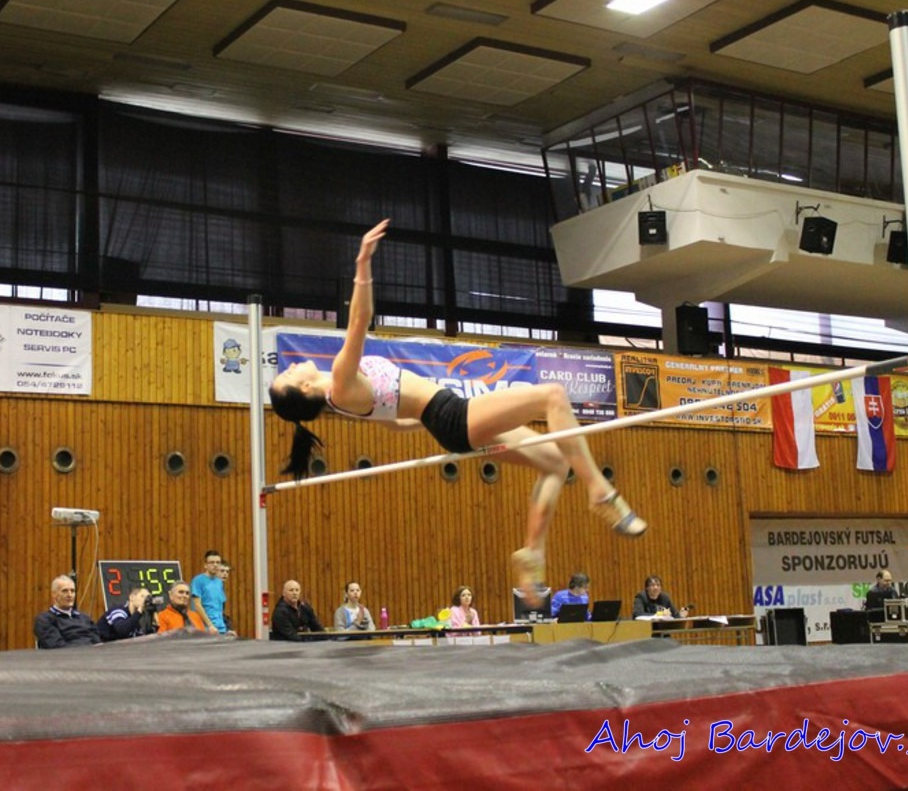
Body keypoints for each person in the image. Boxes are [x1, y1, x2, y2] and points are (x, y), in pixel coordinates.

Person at [268, 219, 646, 608]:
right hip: (451, 414)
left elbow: (395, 422)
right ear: (305, 389)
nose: (292, 366)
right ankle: (600, 491)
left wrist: (426, 420)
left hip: (446, 420)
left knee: (556, 463)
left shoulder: (340, 401)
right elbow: (359, 320)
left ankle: (532, 552)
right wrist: (363, 263)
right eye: (288, 375)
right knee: (554, 396)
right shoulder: (341, 384)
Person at [34, 575, 102, 648]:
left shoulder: (85, 618)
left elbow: (97, 642)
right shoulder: (44, 620)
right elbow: (57, 646)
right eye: (65, 591)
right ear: (54, 594)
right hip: (68, 654)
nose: (70, 595)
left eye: (72, 591)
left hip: (93, 653)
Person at [190, 549, 228, 634]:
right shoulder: (198, 580)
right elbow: (197, 605)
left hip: (220, 627)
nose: (215, 565)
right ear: (205, 565)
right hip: (205, 628)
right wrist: (210, 625)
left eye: (218, 562)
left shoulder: (219, 582)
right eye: (212, 562)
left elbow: (220, 606)